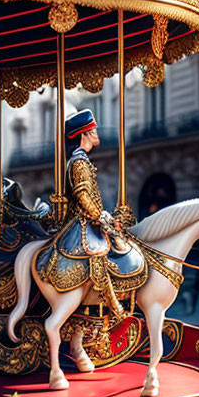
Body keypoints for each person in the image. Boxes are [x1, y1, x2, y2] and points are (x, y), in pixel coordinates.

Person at [52, 108, 143, 319]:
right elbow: (83, 195)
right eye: (93, 129)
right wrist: (100, 216)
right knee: (99, 252)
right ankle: (113, 305)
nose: (96, 131)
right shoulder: (78, 161)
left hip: (88, 218)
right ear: (84, 134)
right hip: (82, 221)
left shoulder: (81, 159)